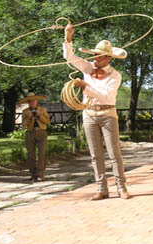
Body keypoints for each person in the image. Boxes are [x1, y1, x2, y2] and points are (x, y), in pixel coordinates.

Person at [63, 23, 130, 200]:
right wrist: (68, 38)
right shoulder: (87, 68)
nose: (95, 59)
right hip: (89, 114)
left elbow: (106, 97)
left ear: (108, 58)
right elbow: (70, 57)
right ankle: (101, 188)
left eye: (99, 57)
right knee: (95, 154)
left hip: (108, 114)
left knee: (114, 153)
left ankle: (121, 187)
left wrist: (85, 87)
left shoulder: (115, 75)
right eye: (94, 56)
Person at [19, 93, 50, 182]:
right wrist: (28, 118)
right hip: (30, 133)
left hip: (41, 132)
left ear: (36, 101)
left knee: (42, 154)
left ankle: (40, 174)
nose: (32, 102)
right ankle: (33, 174)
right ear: (28, 102)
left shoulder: (42, 110)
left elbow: (47, 122)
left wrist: (40, 115)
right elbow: (24, 125)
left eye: (34, 100)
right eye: (30, 101)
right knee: (31, 154)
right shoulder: (25, 111)